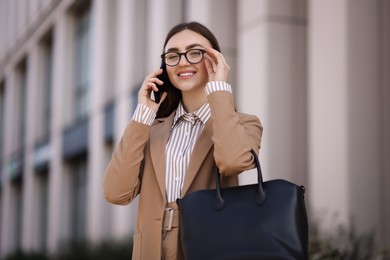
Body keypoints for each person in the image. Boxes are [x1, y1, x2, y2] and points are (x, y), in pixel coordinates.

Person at [103, 21, 263, 260]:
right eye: (173, 55)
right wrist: (142, 116)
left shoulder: (244, 124)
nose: (183, 61)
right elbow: (116, 193)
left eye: (195, 52)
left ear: (215, 59)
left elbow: (232, 162)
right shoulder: (151, 130)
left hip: (210, 248)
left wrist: (219, 88)